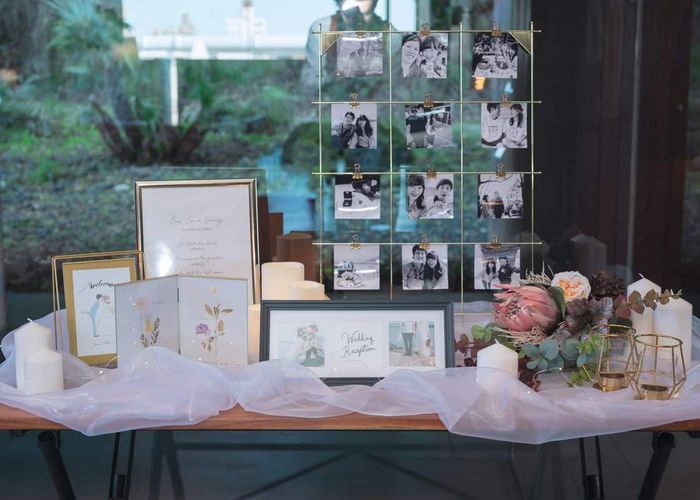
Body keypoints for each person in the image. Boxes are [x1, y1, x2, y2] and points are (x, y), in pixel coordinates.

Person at [302, 0, 389, 90]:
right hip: (334, 95)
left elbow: (395, 85)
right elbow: (309, 83)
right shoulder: (322, 28)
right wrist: (334, 79)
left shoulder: (389, 35)